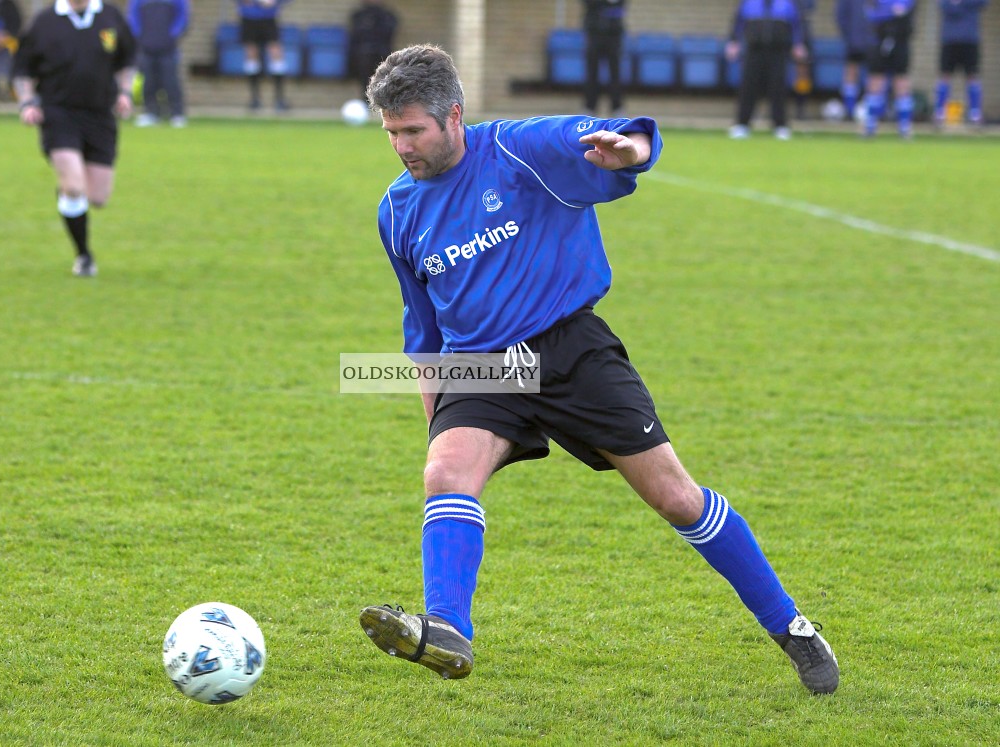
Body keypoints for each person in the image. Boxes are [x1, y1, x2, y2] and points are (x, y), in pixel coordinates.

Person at [357, 44, 839, 696]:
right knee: (445, 471)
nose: (401, 146)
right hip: (482, 368)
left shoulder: (520, 150)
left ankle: (792, 625)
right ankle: (446, 627)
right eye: (390, 132)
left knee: (675, 495)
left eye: (413, 130)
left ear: (455, 115)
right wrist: (438, 419)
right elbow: (424, 333)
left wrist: (632, 152)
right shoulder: (397, 211)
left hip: (571, 351)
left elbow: (621, 133)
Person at [11, 0, 136, 278]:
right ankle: (84, 255)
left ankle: (68, 192)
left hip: (101, 115)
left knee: (98, 197)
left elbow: (126, 60)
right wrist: (28, 102)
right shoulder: (44, 22)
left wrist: (125, 93)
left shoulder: (110, 17)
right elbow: (22, 69)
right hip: (58, 113)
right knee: (74, 186)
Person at [725, 0, 808, 140]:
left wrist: (798, 44)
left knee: (778, 87)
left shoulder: (787, 3)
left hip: (778, 52)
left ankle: (780, 125)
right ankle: (742, 124)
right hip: (753, 51)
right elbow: (738, 23)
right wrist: (734, 42)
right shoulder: (749, 3)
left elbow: (796, 25)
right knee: (748, 87)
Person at [127, 0, 190, 127]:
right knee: (148, 81)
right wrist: (139, 36)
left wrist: (173, 34)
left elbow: (183, 16)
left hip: (168, 48)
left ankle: (177, 114)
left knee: (170, 81)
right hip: (145, 48)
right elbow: (133, 17)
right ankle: (151, 113)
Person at [861, 0, 915, 137]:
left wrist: (892, 11)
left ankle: (904, 126)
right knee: (875, 79)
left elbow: (906, 10)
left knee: (901, 81)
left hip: (900, 41)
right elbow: (870, 12)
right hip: (879, 38)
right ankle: (870, 125)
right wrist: (889, 12)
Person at [933, 0, 989, 128]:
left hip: (970, 39)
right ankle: (940, 113)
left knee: (972, 76)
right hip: (949, 39)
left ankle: (975, 114)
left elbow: (983, 3)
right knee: (944, 75)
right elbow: (944, 6)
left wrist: (960, 3)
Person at [234, 0, 289, 111]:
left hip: (269, 18)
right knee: (251, 54)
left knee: (276, 53)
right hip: (249, 17)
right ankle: (255, 99)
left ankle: (279, 99)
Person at [581, 0, 628, 116]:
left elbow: (619, 7)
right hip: (594, 33)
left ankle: (617, 108)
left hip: (614, 35)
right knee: (592, 73)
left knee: (615, 74)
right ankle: (589, 107)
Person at [347, 0, 396, 99]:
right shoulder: (359, 15)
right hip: (363, 55)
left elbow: (388, 33)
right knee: (365, 80)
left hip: (382, 53)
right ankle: (366, 100)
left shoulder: (387, 16)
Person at [835, 0, 875, 119]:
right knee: (851, 71)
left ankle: (872, 111)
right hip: (854, 40)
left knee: (874, 75)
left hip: (874, 42)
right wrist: (849, 34)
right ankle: (850, 110)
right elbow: (840, 15)